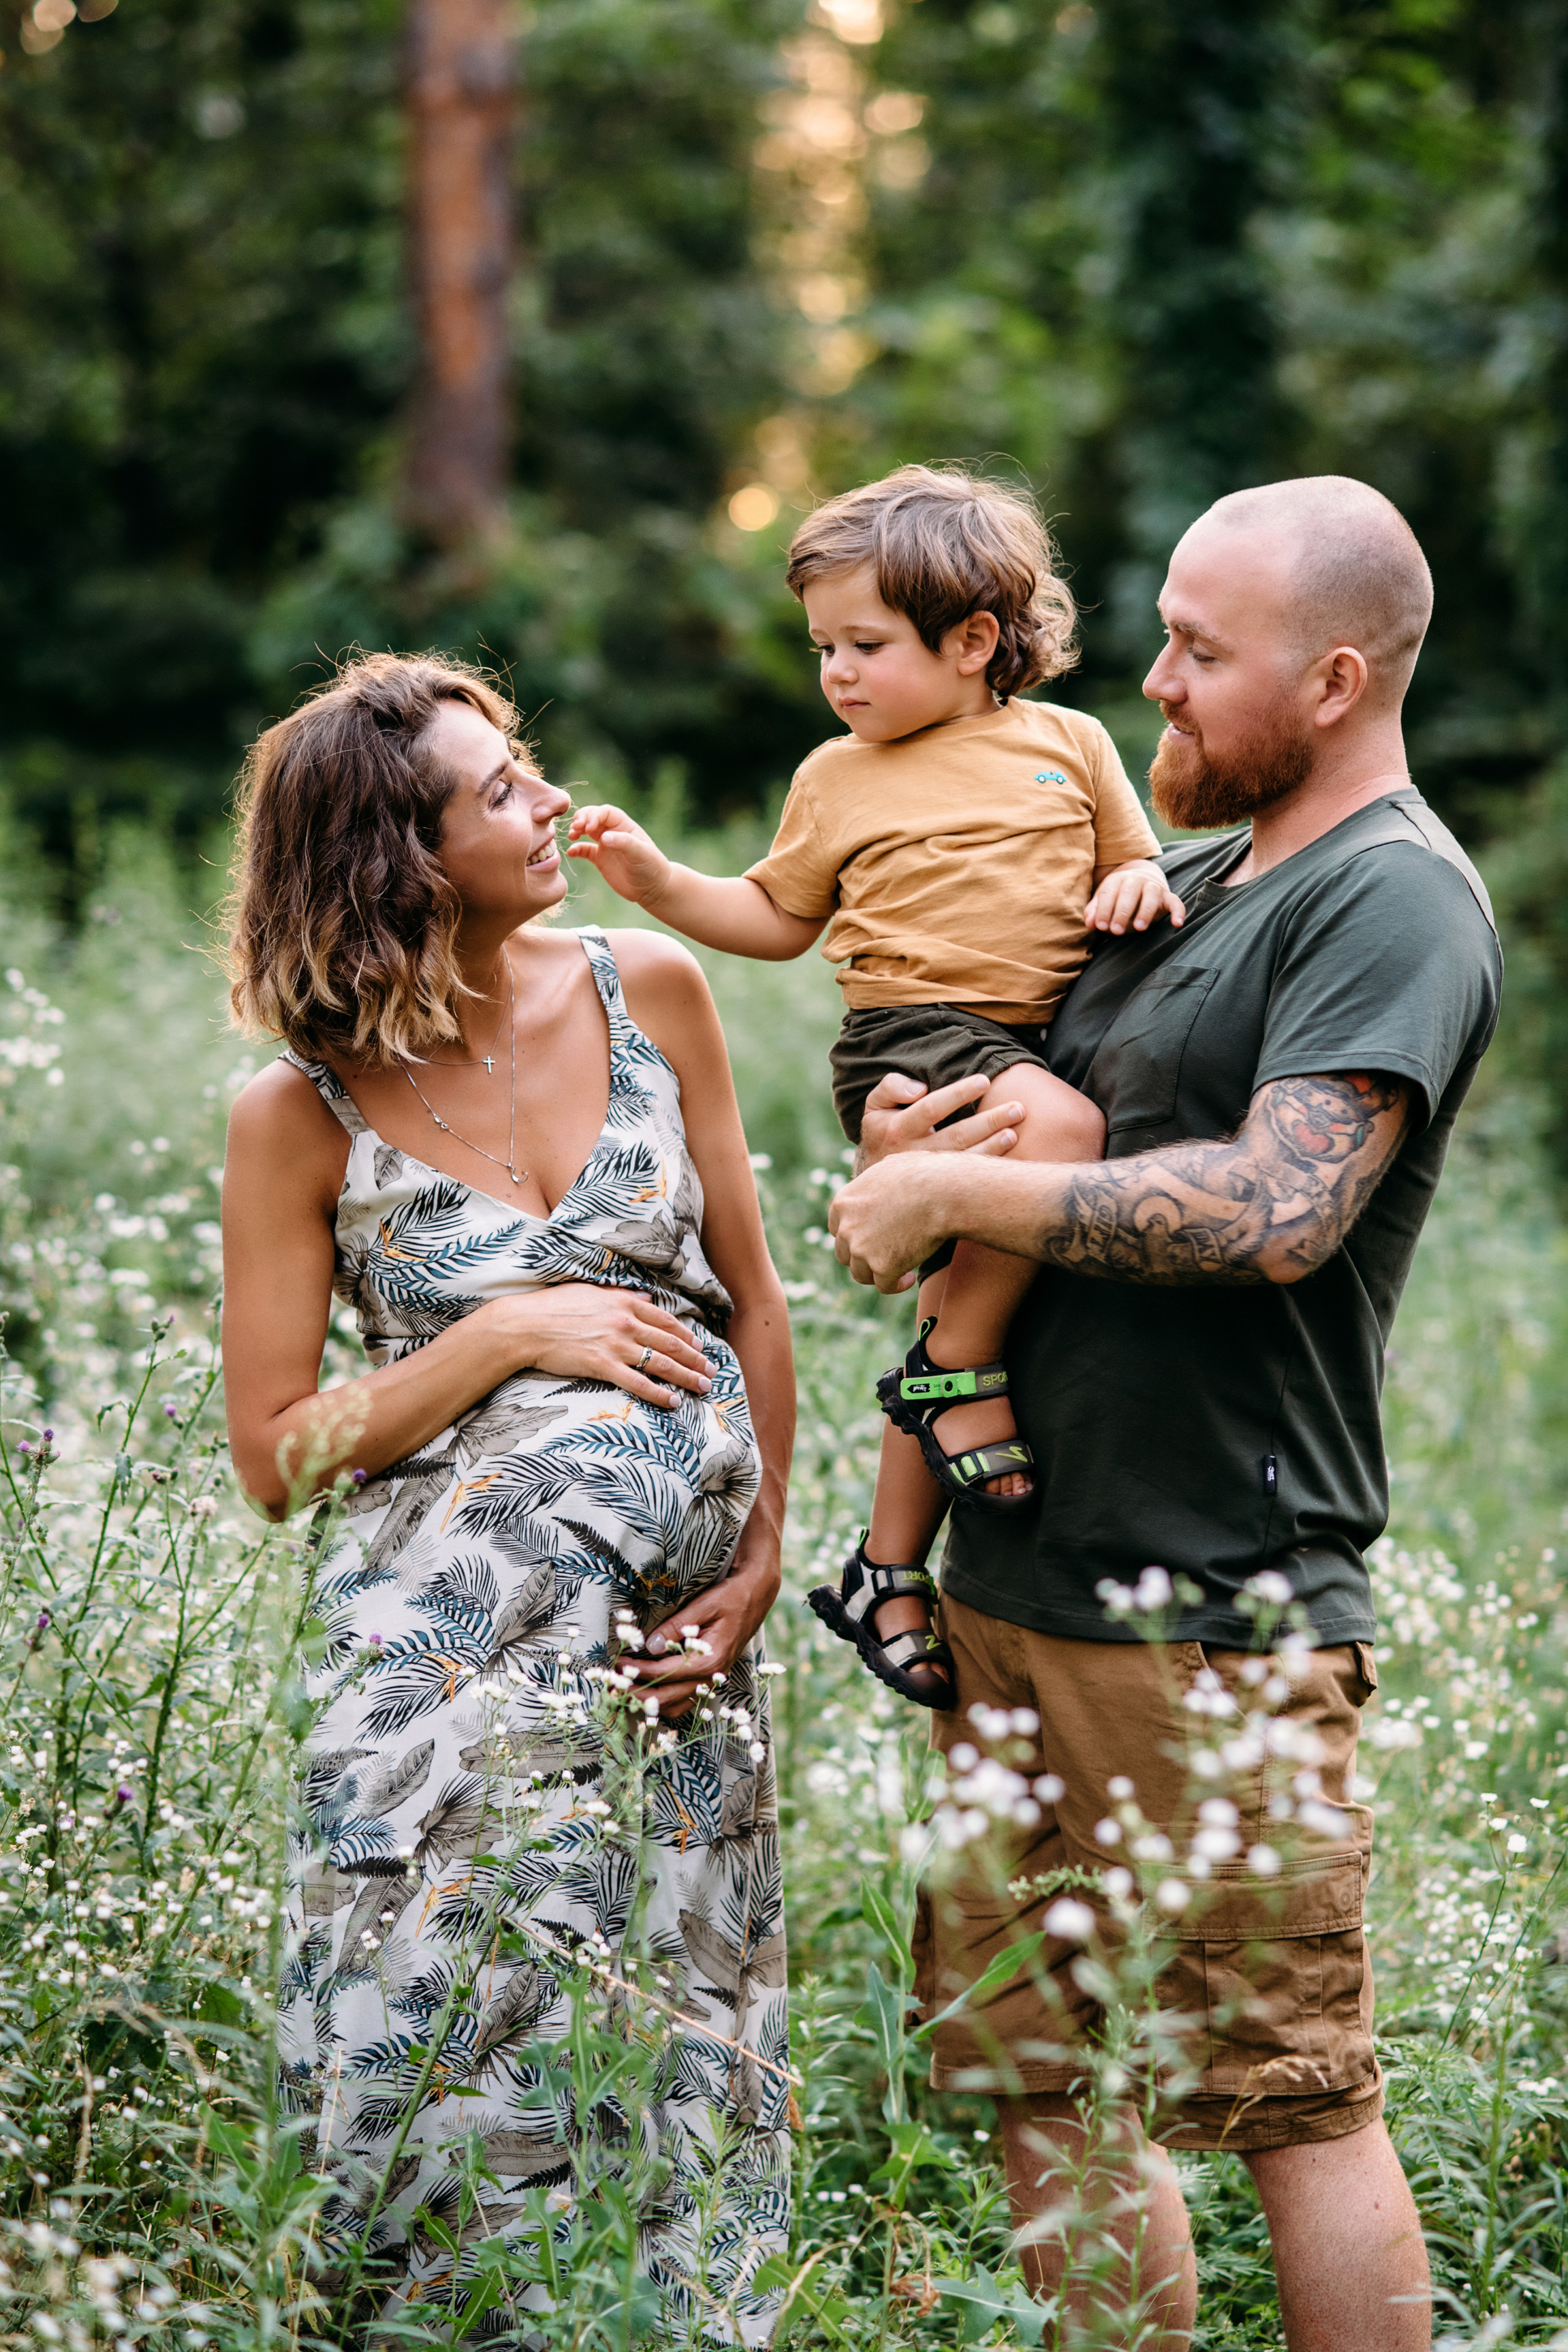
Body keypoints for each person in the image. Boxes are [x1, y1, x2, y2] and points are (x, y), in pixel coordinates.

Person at [826, 476, 1501, 2351]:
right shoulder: (1179, 882)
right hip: (1013, 1577)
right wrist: (914, 1144)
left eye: (1203, 653)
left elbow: (1282, 1211)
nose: (1156, 683)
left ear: (1339, 675)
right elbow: (1016, 1115)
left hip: (1215, 1603)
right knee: (1048, 2087)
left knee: (1291, 2097)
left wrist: (962, 1199)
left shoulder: (1397, 903)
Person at [221, 654, 794, 2343]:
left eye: (527, 764)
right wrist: (505, 1335)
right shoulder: (296, 1115)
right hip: (434, 1682)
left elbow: (750, 1297)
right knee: (461, 2034)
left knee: (677, 2022)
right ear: (399, 860)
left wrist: (758, 1561)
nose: (547, 800)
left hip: (660, 1656)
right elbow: (275, 1456)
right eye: (500, 791)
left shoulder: (652, 987)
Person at [568, 464, 1181, 1711]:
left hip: (1028, 1036)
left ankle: (886, 1565)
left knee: (972, 1261)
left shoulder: (1070, 743)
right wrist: (658, 882)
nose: (836, 673)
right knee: (1052, 1151)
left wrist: (1133, 885)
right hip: (911, 1037)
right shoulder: (835, 777)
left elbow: (1134, 865)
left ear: (971, 644)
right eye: (822, 649)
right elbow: (773, 914)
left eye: (863, 644)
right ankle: (955, 1367)